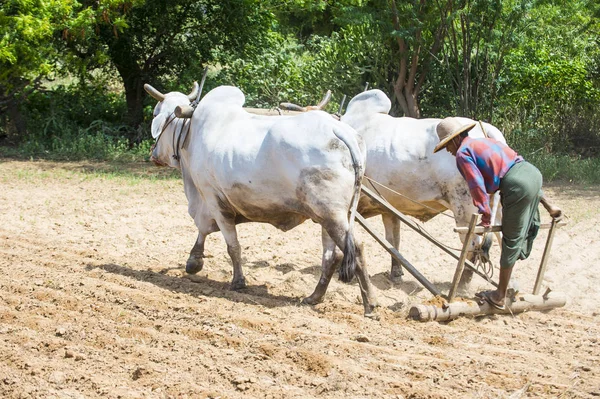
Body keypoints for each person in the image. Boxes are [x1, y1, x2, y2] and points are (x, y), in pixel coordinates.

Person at [433, 117, 563, 310]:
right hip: (532, 174)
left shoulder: (462, 153)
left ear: (454, 140)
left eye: (447, 146)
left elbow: (476, 185)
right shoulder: (484, 141)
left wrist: (485, 214)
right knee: (519, 227)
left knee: (510, 238)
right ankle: (551, 206)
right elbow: (516, 166)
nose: (449, 151)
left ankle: (500, 296)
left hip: (516, 185)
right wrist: (547, 205)